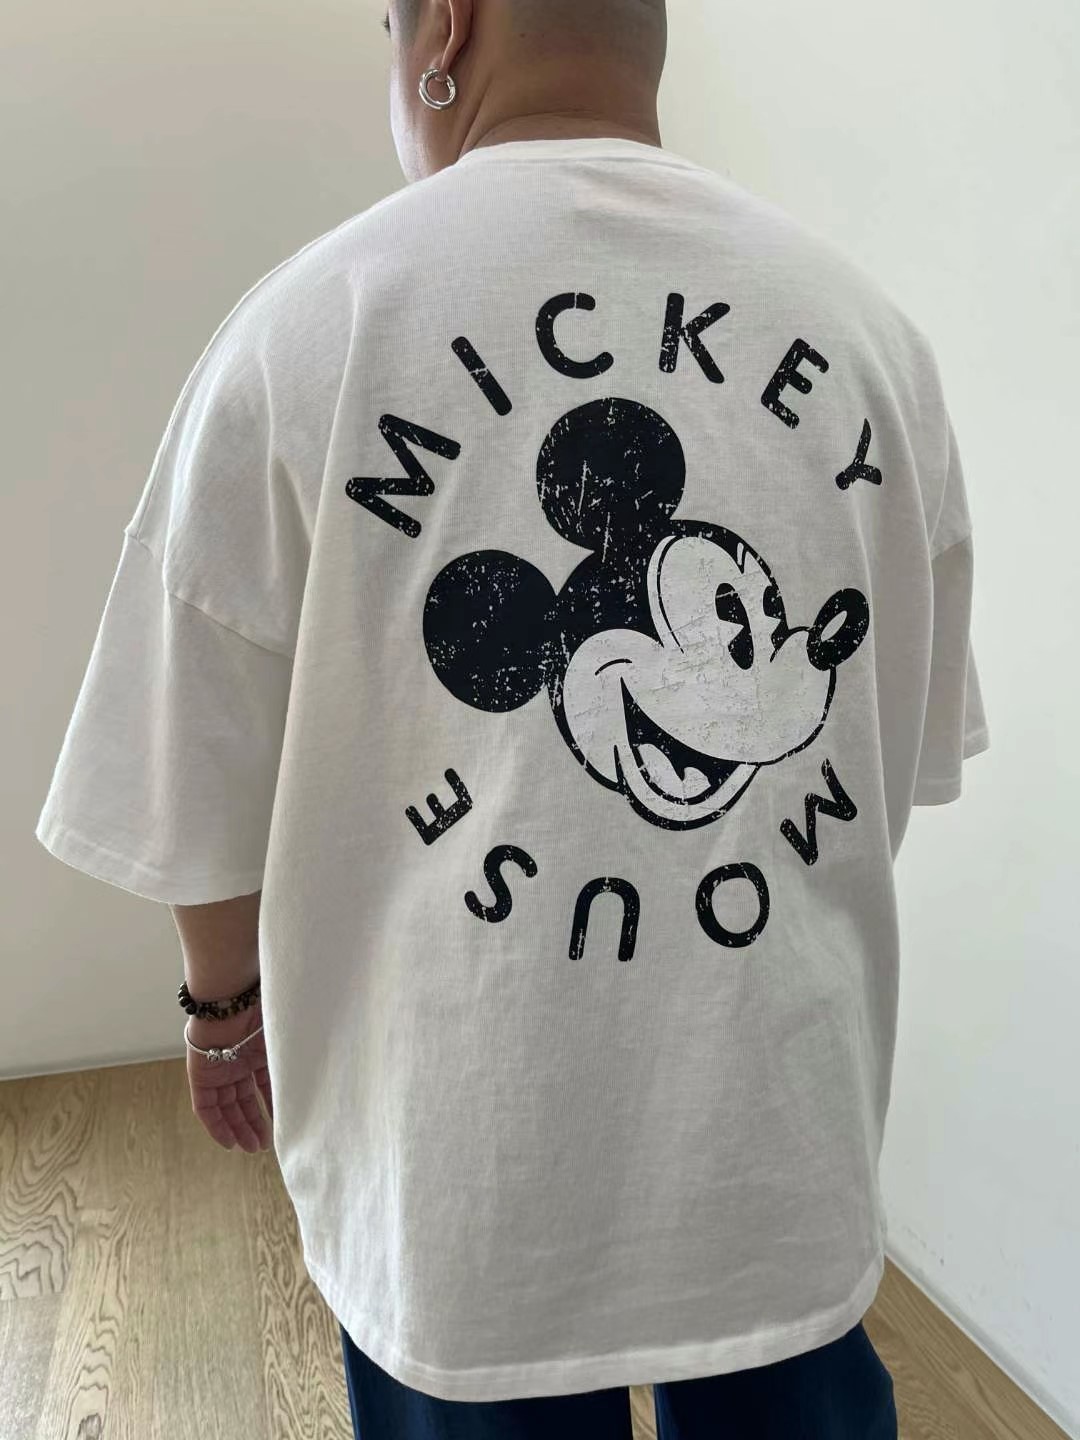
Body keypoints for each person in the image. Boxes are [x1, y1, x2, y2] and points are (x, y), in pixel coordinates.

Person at [34, 0, 990, 1434]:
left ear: (447, 27)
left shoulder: (308, 328)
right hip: (777, 1143)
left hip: (463, 1175)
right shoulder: (871, 341)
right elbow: (888, 759)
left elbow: (187, 776)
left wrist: (222, 1011)